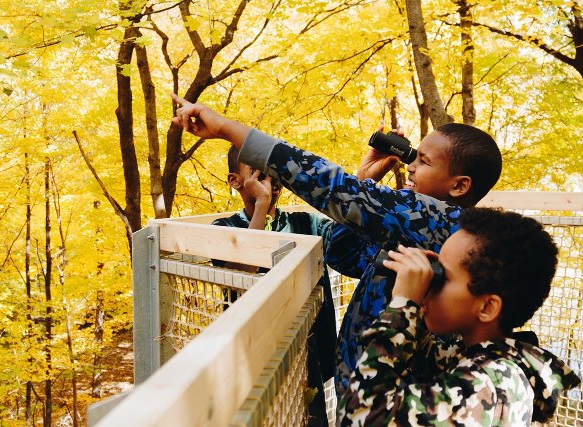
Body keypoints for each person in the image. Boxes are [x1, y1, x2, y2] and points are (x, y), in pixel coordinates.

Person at [167, 93, 503, 402]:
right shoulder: (416, 230)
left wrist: (227, 128)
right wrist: (366, 180)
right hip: (364, 396)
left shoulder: (438, 221)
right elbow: (343, 254)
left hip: (390, 404)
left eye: (424, 162)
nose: (410, 166)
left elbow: (332, 187)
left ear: (459, 186)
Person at [343, 207, 580, 425]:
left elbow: (362, 416)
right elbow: (424, 357)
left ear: (487, 308)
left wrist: (404, 305)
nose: (430, 283)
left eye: (442, 277)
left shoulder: (491, 383)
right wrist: (413, 292)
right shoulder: (485, 358)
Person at [212, 145, 336, 427]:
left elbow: (345, 231)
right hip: (252, 361)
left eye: (275, 170)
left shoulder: (305, 223)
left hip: (306, 358)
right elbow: (240, 271)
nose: (271, 179)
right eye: (259, 172)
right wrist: (261, 206)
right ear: (235, 180)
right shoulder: (225, 228)